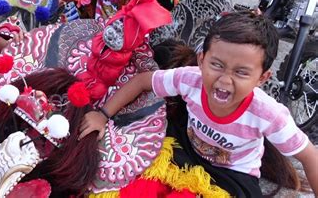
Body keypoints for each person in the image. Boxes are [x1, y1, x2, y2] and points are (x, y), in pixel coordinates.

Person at [78, 11, 318, 196]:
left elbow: (309, 157)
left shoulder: (269, 114)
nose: (224, 80)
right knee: (128, 187)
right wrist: (103, 113)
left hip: (232, 175)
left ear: (262, 78)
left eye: (241, 73)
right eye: (217, 65)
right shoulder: (190, 78)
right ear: (202, 60)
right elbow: (142, 81)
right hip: (184, 149)